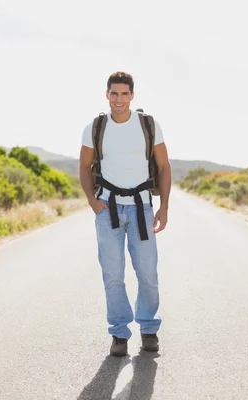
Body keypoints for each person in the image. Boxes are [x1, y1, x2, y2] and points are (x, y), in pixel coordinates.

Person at [79, 71, 172, 357]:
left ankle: (148, 329)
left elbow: (164, 166)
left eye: (124, 93)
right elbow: (84, 167)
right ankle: (119, 333)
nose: (119, 99)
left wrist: (164, 207)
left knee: (147, 273)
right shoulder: (95, 128)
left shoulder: (148, 125)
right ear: (106, 95)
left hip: (142, 208)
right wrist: (94, 204)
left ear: (133, 95)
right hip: (108, 209)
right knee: (113, 275)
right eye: (114, 93)